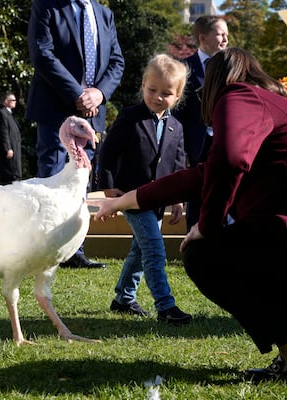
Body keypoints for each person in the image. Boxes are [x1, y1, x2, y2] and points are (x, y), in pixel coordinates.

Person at [87, 48, 287, 383]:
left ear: (216, 82)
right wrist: (126, 200)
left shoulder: (237, 96)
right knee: (255, 257)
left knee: (205, 255)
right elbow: (205, 174)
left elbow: (230, 161)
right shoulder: (277, 105)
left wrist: (207, 225)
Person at [26, 0, 125, 269]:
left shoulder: (104, 14)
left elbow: (117, 61)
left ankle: (73, 251)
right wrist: (77, 94)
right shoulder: (46, 6)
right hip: (55, 109)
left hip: (92, 113)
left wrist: (99, 94)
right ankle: (45, 250)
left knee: (82, 181)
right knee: (52, 177)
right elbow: (42, 53)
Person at [98, 54, 192, 324]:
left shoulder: (176, 126)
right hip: (130, 196)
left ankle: (123, 298)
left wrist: (177, 200)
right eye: (152, 90)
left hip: (159, 200)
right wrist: (109, 186)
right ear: (143, 85)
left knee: (140, 250)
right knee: (153, 247)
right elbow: (108, 152)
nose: (157, 97)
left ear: (177, 96)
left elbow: (177, 166)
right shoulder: (130, 117)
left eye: (166, 93)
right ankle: (165, 305)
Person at [172, 15, 229, 231]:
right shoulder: (184, 69)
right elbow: (177, 112)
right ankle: (194, 249)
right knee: (197, 196)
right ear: (203, 37)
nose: (226, 38)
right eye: (220, 33)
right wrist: (181, 148)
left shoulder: (233, 67)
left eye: (227, 34)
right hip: (197, 144)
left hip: (227, 142)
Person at [0, 92, 22, 187]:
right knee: (9, 174)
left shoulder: (9, 114)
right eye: (12, 100)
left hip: (14, 148)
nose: (15, 102)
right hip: (9, 151)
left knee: (15, 174)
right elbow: (3, 132)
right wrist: (7, 148)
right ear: (6, 101)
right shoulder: (2, 114)